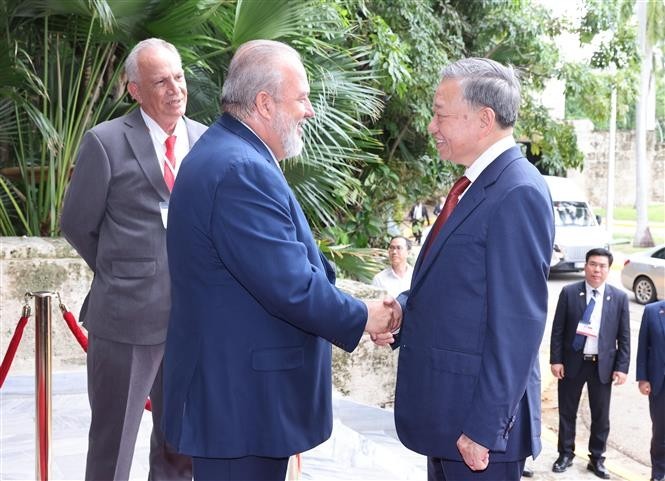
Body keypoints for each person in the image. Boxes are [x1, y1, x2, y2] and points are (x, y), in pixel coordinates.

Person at [161, 39, 399, 481]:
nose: (310, 111)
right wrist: (366, 315)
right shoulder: (239, 170)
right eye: (303, 98)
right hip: (240, 408)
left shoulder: (229, 154)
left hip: (237, 403)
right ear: (265, 103)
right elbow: (290, 285)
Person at [383, 57, 555, 481]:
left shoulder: (517, 192)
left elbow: (517, 325)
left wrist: (483, 428)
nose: (430, 126)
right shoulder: (476, 184)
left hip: (478, 436)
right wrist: (405, 310)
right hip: (450, 420)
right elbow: (459, 287)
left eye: (440, 113)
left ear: (483, 119)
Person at [60, 38, 207, 480]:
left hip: (193, 322)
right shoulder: (105, 142)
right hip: (125, 321)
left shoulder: (204, 139)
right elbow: (77, 223)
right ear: (135, 90)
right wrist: (125, 274)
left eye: (178, 77)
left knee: (180, 447)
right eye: (160, 81)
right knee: (113, 446)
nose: (174, 89)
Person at [549, 247, 630, 479]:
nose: (597, 270)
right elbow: (558, 330)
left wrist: (621, 368)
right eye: (593, 264)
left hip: (602, 366)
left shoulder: (619, 298)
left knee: (601, 416)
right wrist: (556, 360)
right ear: (585, 266)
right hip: (573, 362)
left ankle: (597, 459)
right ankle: (565, 454)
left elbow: (624, 337)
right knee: (567, 412)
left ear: (608, 269)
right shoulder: (569, 292)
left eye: (602, 266)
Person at [636, 300, 665, 481]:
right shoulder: (652, 311)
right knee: (661, 433)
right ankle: (658, 473)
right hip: (659, 383)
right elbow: (643, 346)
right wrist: (643, 378)